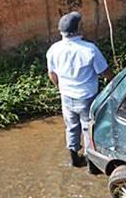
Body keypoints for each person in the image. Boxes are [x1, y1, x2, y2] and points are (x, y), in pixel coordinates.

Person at [46, 11, 113, 168]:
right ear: (78, 29)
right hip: (87, 97)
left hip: (66, 96)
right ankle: (92, 164)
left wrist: (60, 87)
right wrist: (115, 81)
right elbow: (105, 72)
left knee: (71, 126)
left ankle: (75, 158)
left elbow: (52, 74)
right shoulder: (89, 49)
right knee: (88, 128)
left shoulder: (54, 49)